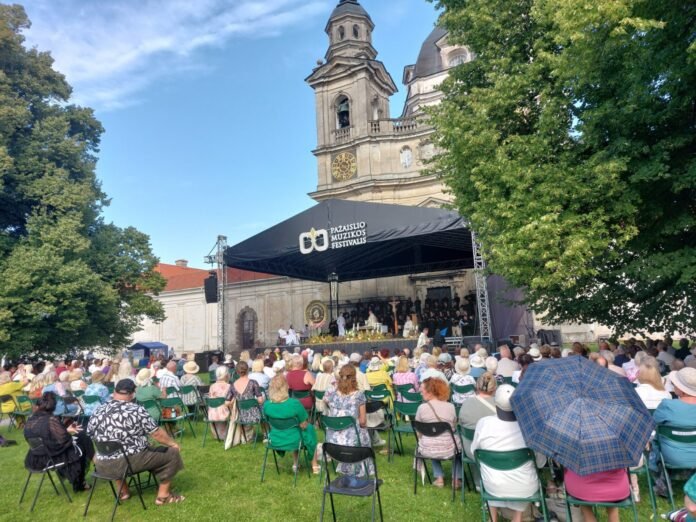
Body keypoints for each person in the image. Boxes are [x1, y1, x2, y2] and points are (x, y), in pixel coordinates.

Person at [87, 379, 185, 505]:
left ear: (115, 392)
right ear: (133, 394)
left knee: (117, 450)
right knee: (172, 453)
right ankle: (163, 496)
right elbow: (156, 433)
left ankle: (123, 492)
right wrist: (173, 444)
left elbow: (91, 435)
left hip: (102, 464)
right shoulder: (136, 409)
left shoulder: (98, 410)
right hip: (126, 463)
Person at [471, 384, 546, 522]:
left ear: (495, 403)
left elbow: (474, 452)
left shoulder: (484, 424)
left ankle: (493, 518)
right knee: (519, 477)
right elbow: (540, 463)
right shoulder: (529, 426)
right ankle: (517, 518)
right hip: (524, 486)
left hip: (493, 485)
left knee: (492, 474)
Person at [24, 392, 94, 492]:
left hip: (36, 457)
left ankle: (94, 465)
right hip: (51, 456)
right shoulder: (51, 419)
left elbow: (45, 436)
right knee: (83, 439)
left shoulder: (30, 420)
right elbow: (64, 440)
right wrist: (68, 432)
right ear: (53, 407)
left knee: (81, 438)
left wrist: (66, 430)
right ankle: (84, 478)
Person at [322, 365, 373, 476]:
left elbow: (325, 403)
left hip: (332, 440)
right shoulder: (359, 395)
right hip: (351, 441)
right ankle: (360, 468)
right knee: (363, 431)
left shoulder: (331, 394)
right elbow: (363, 421)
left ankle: (346, 466)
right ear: (354, 377)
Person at [415, 370, 462, 489]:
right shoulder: (451, 407)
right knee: (457, 445)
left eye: (422, 389)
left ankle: (439, 478)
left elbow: (418, 431)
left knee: (431, 438)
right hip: (450, 448)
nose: (420, 391)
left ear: (430, 391)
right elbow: (453, 427)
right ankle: (456, 479)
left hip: (427, 449)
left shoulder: (421, 408)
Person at [263, 375, 319, 473]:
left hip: (275, 439)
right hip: (294, 439)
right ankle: (314, 466)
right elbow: (304, 424)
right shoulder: (294, 403)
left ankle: (296, 464)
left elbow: (268, 423)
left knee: (296, 430)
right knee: (309, 429)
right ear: (286, 387)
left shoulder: (267, 405)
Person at [653, 368, 696, 471]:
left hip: (672, 458)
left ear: (681, 389)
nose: (673, 385)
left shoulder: (667, 405)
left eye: (675, 384)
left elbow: (653, 423)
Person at [564, 467, 631, 522]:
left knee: (582, 492)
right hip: (615, 488)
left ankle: (588, 516)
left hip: (583, 488)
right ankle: (613, 515)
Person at [458, 372, 497, 460]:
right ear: (495, 388)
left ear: (477, 386)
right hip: (494, 450)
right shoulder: (500, 405)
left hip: (472, 451)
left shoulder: (466, 404)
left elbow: (461, 424)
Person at [225, 361, 264, 441]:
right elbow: (260, 400)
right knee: (265, 410)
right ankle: (266, 435)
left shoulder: (233, 385)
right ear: (248, 370)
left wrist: (235, 402)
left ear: (236, 371)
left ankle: (247, 436)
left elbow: (226, 402)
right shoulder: (253, 383)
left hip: (241, 416)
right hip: (255, 415)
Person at [208, 366, 232, 439]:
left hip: (212, 414)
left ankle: (219, 435)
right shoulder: (229, 386)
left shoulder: (212, 386)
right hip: (224, 413)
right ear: (226, 375)